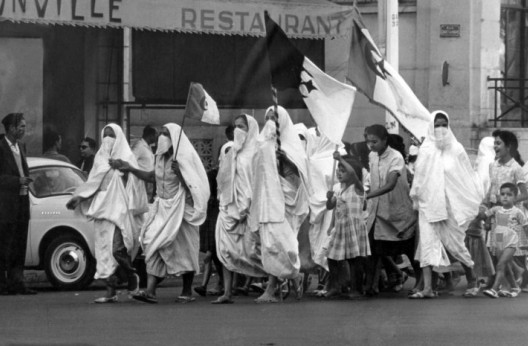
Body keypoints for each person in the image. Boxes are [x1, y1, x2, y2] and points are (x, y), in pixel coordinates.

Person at [114, 123, 210, 304]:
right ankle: (150, 291)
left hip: (181, 210)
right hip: (162, 208)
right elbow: (152, 177)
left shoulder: (184, 158)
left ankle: (187, 291)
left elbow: (196, 187)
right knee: (153, 245)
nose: (162, 137)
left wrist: (180, 174)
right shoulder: (158, 157)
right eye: (161, 133)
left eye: (166, 134)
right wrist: (132, 169)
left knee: (184, 250)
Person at [66, 124, 147, 303]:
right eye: (106, 135)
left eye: (112, 136)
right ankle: (111, 292)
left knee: (117, 248)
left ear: (118, 137)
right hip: (102, 210)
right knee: (103, 253)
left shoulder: (127, 157)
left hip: (119, 210)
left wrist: (124, 169)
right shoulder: (100, 158)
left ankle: (132, 277)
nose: (108, 139)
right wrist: (79, 197)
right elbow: (93, 183)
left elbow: (136, 184)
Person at [410, 111, 483, 299]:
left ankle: (472, 279)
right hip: (429, 205)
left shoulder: (457, 149)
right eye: (437, 125)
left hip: (450, 206)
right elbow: (419, 178)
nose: (440, 129)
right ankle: (427, 288)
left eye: (444, 124)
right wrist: (418, 198)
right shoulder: (425, 150)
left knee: (455, 244)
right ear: (431, 127)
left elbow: (466, 176)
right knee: (427, 244)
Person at [249, 105, 311, 303]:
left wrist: (286, 158)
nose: (270, 122)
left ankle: (275, 286)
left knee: (284, 244)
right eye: (267, 118)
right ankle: (290, 278)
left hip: (287, 202)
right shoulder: (263, 144)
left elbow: (302, 173)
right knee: (270, 244)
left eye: (273, 117)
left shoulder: (292, 147)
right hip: (269, 201)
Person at [213, 114, 266, 304]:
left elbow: (258, 183)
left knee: (254, 252)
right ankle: (227, 292)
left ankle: (278, 279)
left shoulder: (257, 153)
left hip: (250, 211)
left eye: (242, 126)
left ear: (250, 128)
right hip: (229, 209)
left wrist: (248, 206)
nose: (238, 130)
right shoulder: (231, 153)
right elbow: (223, 180)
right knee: (226, 251)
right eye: (235, 126)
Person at [364, 124, 420, 296]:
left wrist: (369, 195)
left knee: (409, 249)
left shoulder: (396, 158)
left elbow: (390, 184)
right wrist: (366, 192)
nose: (371, 145)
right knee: (372, 250)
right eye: (368, 142)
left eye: (374, 142)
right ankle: (371, 285)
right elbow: (369, 180)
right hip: (376, 212)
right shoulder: (372, 156)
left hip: (396, 211)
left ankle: (420, 281)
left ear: (384, 140)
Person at [0, 113, 36, 295]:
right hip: (6, 205)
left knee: (19, 244)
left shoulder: (21, 146)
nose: (24, 129)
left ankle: (18, 282)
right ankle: (2, 284)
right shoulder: (0, 147)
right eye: (21, 126)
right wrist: (17, 181)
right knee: (4, 244)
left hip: (22, 201)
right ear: (12, 128)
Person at [325, 154, 370, 299]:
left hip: (353, 227)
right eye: (338, 169)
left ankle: (355, 289)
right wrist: (329, 198)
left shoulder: (358, 187)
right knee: (332, 257)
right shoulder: (339, 189)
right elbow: (330, 206)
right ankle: (335, 286)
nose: (338, 172)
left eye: (343, 170)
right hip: (341, 227)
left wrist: (341, 159)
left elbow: (352, 173)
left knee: (354, 260)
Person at [481, 183, 526, 298]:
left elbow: (526, 227)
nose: (505, 197)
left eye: (509, 194)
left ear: (515, 197)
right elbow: (482, 216)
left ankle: (495, 289)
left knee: (501, 264)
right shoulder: (496, 210)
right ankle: (515, 286)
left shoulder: (518, 212)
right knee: (505, 265)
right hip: (499, 240)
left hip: (511, 241)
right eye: (502, 194)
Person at [132, 125, 157, 202]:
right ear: (151, 135)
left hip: (149, 181)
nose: (157, 138)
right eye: (156, 136)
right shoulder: (139, 146)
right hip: (141, 180)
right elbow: (131, 161)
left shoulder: (148, 147)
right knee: (141, 202)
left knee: (147, 202)